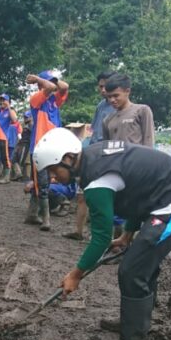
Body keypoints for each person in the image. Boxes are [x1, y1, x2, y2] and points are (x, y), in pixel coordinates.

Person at [35, 128, 171, 340]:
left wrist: (76, 274)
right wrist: (127, 234)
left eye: (53, 170)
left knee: (133, 270)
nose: (52, 177)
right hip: (160, 199)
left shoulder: (96, 182)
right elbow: (137, 196)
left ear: (68, 159)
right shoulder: (91, 158)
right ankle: (134, 322)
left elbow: (101, 238)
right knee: (141, 262)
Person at [65, 71, 116, 241]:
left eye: (105, 86)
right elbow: (93, 132)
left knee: (103, 198)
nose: (102, 89)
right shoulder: (101, 106)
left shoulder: (118, 107)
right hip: (93, 154)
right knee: (82, 195)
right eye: (100, 86)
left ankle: (109, 239)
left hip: (108, 155)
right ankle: (78, 231)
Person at [25, 70, 69, 231]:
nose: (53, 84)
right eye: (48, 81)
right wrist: (39, 79)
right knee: (42, 183)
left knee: (42, 181)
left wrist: (50, 80)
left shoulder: (54, 101)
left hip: (53, 146)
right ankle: (45, 219)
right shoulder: (36, 99)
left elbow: (64, 86)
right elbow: (50, 86)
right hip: (40, 147)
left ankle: (32, 214)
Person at [101, 73, 155, 146]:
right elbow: (106, 147)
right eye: (109, 97)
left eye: (116, 95)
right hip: (116, 157)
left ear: (127, 91)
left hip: (136, 157)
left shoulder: (142, 111)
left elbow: (148, 140)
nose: (112, 100)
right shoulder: (107, 120)